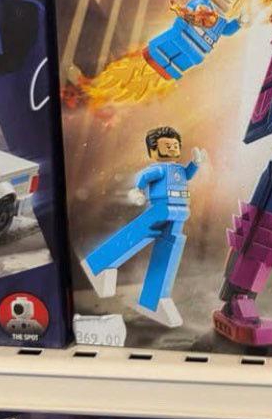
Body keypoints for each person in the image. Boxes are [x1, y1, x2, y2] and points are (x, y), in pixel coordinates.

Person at [80, 126, 206, 328]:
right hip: (161, 208)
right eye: (167, 145)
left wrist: (196, 163)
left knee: (171, 244)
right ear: (154, 150)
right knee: (141, 231)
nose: (173, 148)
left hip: (180, 210)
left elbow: (188, 174)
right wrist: (138, 190)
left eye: (175, 145)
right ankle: (98, 263)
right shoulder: (159, 169)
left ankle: (154, 298)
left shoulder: (179, 170)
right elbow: (144, 177)